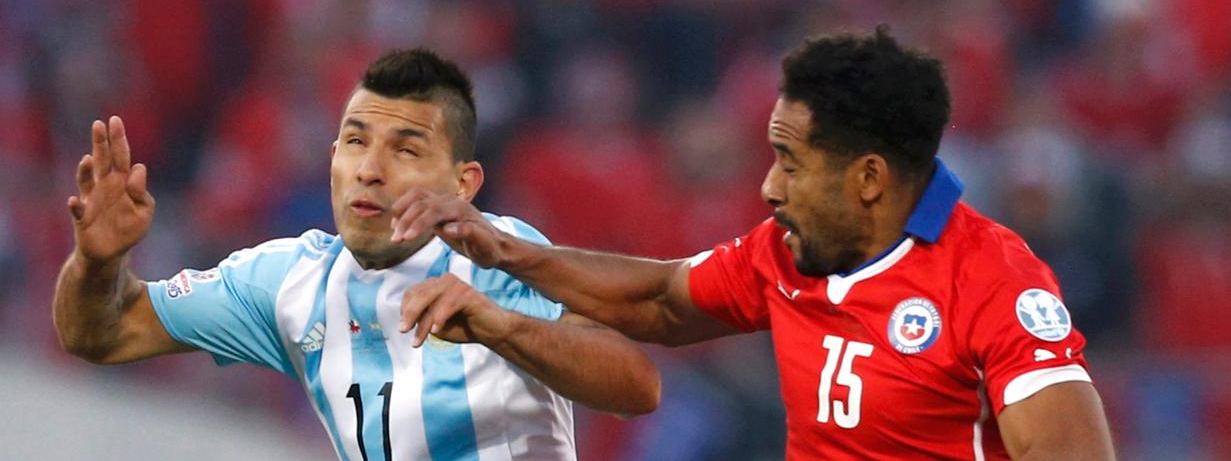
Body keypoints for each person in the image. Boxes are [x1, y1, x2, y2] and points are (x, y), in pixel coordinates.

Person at [391, 28, 1117, 460]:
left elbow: (1070, 452)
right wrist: (503, 251)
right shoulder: (787, 251)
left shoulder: (993, 282)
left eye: (790, 163)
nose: (769, 188)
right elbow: (662, 302)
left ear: (867, 178)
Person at [53, 48, 660, 461]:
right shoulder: (288, 280)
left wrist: (499, 327)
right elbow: (101, 335)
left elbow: (636, 386)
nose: (369, 170)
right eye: (355, 142)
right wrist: (98, 265)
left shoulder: (504, 253)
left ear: (463, 184)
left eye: (405, 148)